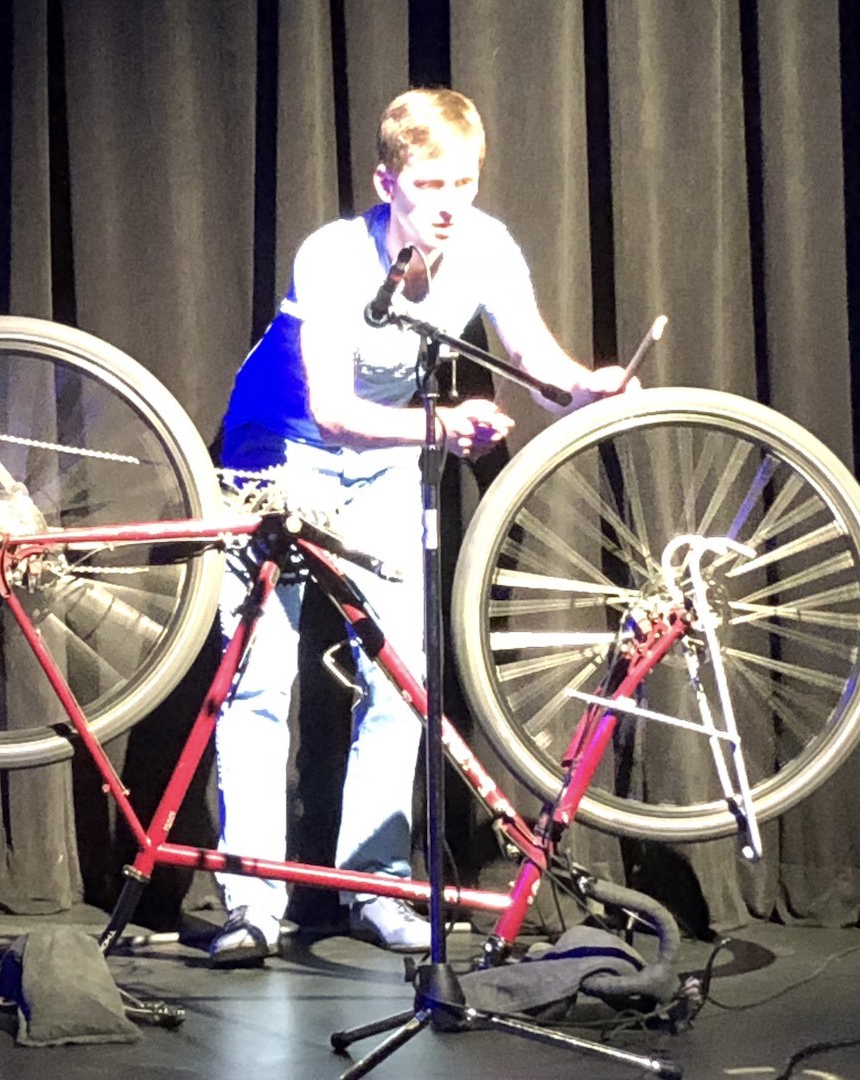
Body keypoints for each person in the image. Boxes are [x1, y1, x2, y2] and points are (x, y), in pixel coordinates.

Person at [206, 88, 637, 965]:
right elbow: (331, 411)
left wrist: (586, 383)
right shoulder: (334, 254)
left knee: (404, 677)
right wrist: (443, 428)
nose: (449, 202)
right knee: (257, 678)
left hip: (384, 462)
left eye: (465, 182)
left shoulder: (481, 246)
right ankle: (252, 902)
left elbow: (534, 360)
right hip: (274, 456)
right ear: (387, 181)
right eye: (431, 183)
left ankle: (375, 885)